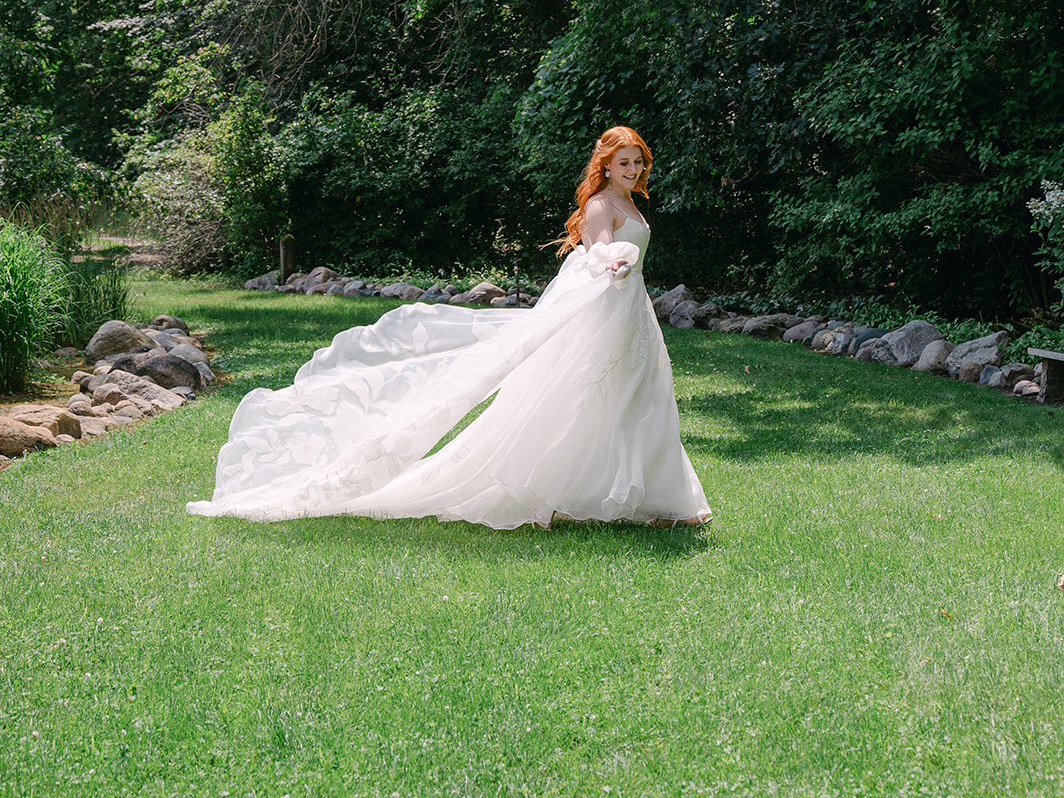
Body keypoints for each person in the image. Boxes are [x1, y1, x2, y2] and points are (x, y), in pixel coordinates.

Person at [187, 126, 710, 529]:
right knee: (587, 400)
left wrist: (624, 272)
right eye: (624, 162)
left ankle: (657, 498)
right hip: (605, 312)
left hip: (631, 313)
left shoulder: (632, 203)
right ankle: (559, 492)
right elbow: (596, 255)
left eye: (638, 162)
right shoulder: (601, 204)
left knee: (641, 399)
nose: (633, 169)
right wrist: (613, 264)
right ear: (606, 164)